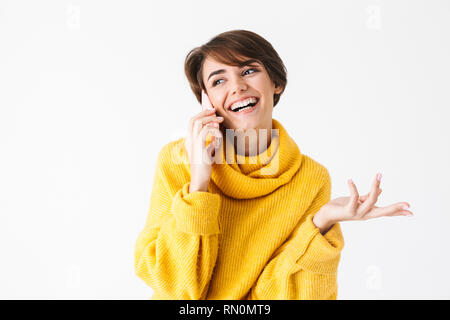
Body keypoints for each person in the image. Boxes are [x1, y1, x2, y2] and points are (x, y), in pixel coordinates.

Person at [134, 30, 413, 300]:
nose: (237, 87)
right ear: (206, 101)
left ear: (275, 82)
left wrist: (321, 223)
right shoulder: (177, 159)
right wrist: (199, 183)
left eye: (248, 71)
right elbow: (174, 287)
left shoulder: (310, 178)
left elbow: (280, 295)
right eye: (219, 81)